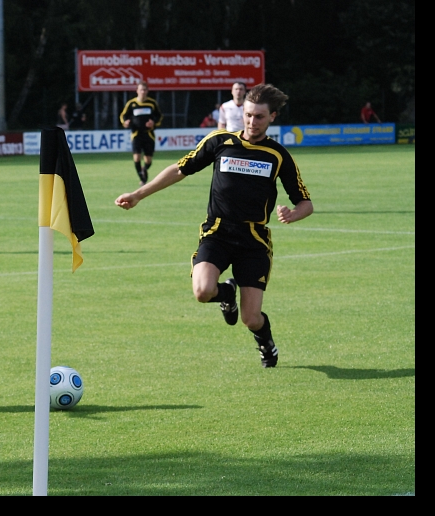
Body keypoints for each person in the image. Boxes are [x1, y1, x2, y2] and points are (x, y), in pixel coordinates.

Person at [115, 83, 313, 368]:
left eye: (259, 116)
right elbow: (180, 169)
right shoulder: (220, 141)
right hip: (217, 233)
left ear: (272, 116)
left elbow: (306, 202)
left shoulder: (278, 155)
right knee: (202, 291)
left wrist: (293, 214)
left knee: (250, 319)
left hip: (253, 240)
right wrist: (138, 194)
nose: (252, 122)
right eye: (248, 115)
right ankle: (226, 294)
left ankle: (265, 341)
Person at [119, 81, 164, 186]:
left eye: (144, 90)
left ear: (147, 91)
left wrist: (153, 123)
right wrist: (125, 122)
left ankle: (144, 169)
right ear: (137, 91)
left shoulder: (152, 103)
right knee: (137, 157)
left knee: (148, 160)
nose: (143, 92)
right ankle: (142, 179)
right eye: (141, 90)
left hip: (149, 134)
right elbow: (123, 116)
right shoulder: (131, 103)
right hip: (136, 134)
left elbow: (159, 116)